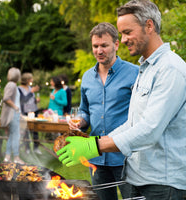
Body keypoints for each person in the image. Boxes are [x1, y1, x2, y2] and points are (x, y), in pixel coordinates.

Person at [57, 1, 186, 200]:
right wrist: (93, 141)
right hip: (140, 178)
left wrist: (94, 146)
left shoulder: (170, 69)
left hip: (163, 185)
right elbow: (133, 124)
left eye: (127, 32)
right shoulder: (147, 69)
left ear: (149, 26)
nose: (123, 40)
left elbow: (149, 129)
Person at [67, 22, 139, 200]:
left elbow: (142, 115)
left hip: (126, 157)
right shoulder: (86, 77)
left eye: (104, 45)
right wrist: (80, 121)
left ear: (116, 44)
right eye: (95, 46)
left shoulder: (135, 73)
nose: (99, 50)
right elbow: (85, 110)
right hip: (96, 157)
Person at [0, 67, 25, 164]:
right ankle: (16, 157)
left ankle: (7, 157)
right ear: (17, 76)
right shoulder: (12, 85)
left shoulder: (11, 85)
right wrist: (16, 108)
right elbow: (6, 98)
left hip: (14, 114)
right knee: (16, 136)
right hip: (13, 114)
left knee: (12, 135)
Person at [18, 72, 42, 155]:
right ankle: (27, 148)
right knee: (26, 131)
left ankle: (36, 148)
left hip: (34, 110)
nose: (32, 80)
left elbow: (31, 100)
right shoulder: (19, 89)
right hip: (25, 112)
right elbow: (23, 100)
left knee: (35, 130)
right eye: (31, 78)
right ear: (27, 80)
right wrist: (31, 92)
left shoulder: (30, 87)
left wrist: (36, 101)